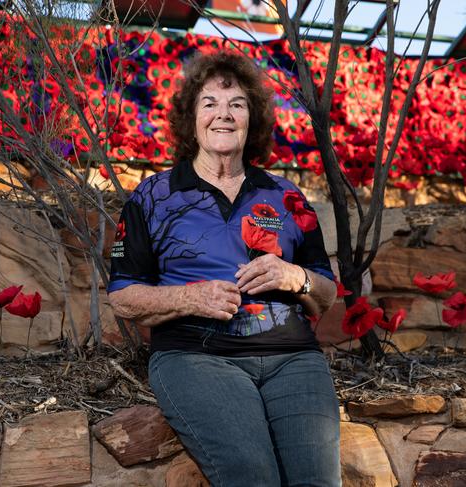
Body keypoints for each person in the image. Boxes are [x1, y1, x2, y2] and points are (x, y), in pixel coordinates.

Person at [107, 52, 341, 487]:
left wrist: (296, 277)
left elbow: (326, 295)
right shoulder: (153, 197)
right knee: (252, 477)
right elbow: (122, 294)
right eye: (210, 103)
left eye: (237, 104)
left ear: (252, 119)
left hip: (292, 358)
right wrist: (189, 296)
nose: (224, 114)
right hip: (197, 358)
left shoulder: (286, 196)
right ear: (191, 119)